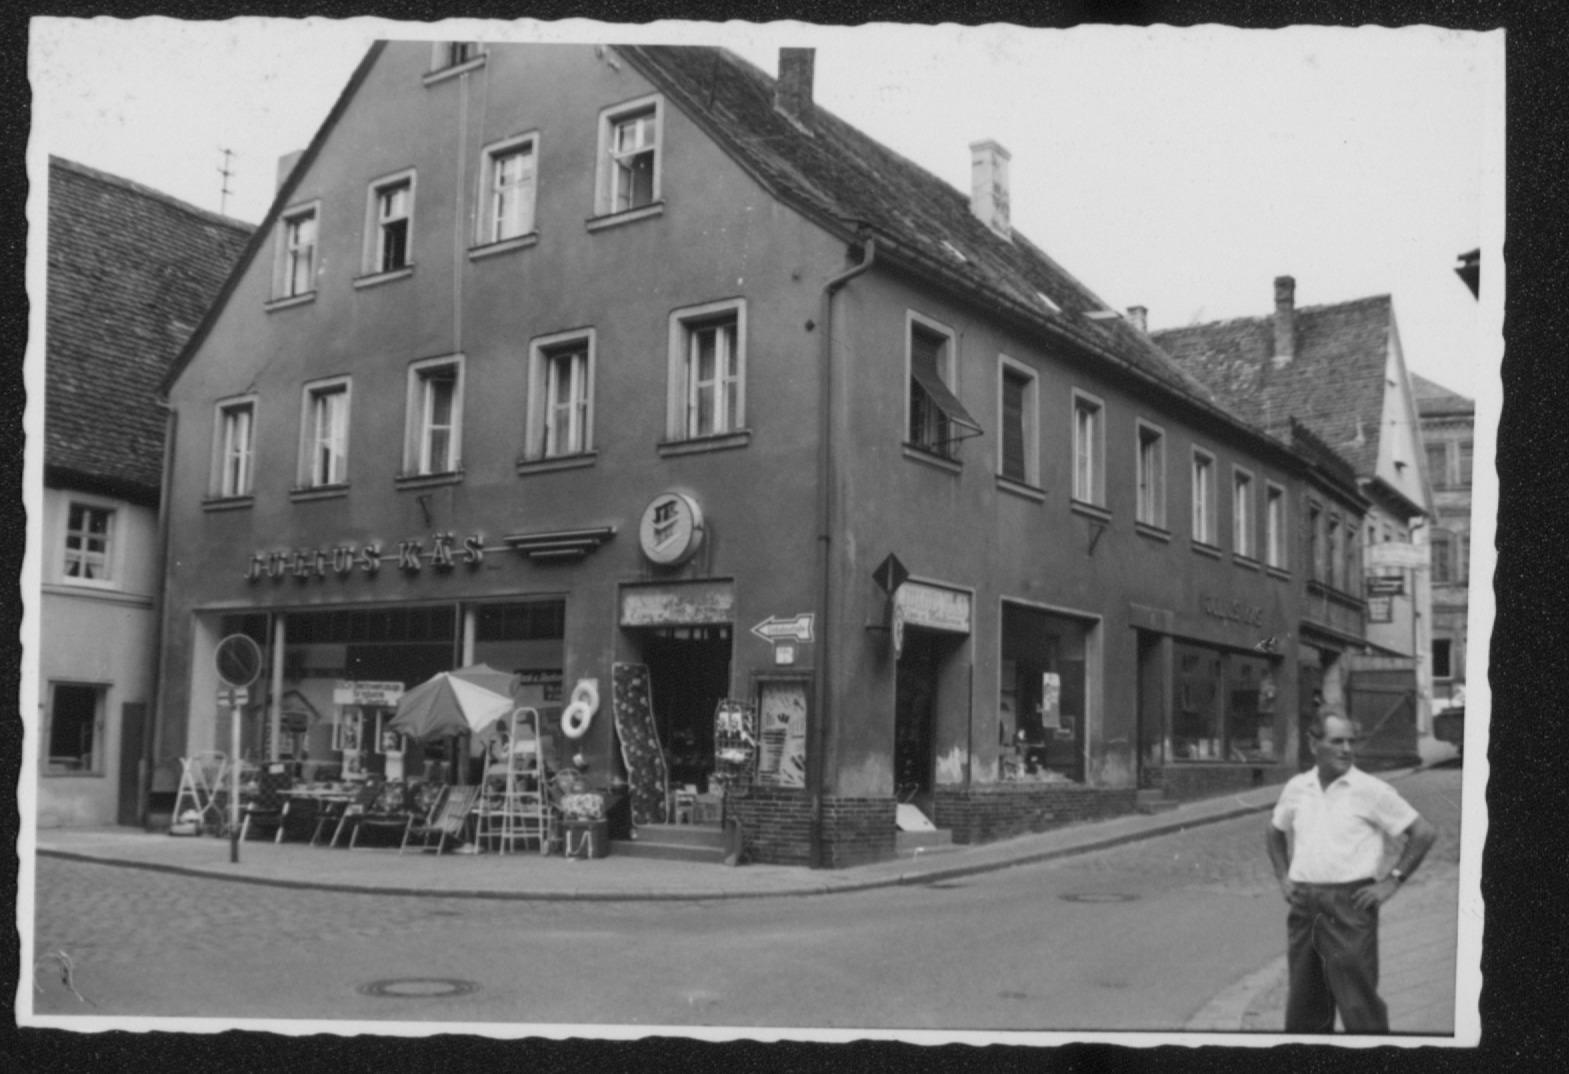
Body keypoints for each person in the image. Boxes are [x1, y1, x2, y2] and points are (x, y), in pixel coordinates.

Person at [1266, 708, 1438, 1033]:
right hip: (1304, 907)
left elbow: (1423, 832)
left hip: (1350, 906)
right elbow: (1274, 831)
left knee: (1359, 1008)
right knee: (1305, 1010)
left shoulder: (1369, 789)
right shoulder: (1297, 787)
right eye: (1336, 741)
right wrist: (1282, 877)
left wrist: (1391, 882)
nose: (1346, 749)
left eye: (1350, 741)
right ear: (1313, 743)